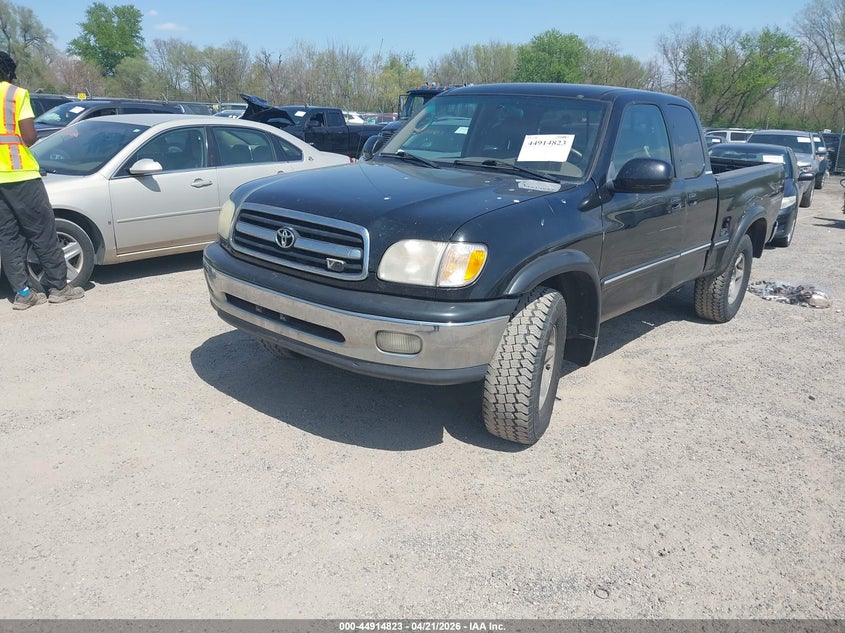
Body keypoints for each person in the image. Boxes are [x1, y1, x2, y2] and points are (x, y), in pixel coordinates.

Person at [0, 50, 83, 310]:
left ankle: (23, 293)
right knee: (42, 230)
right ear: (8, 71)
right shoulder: (15, 94)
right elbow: (28, 136)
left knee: (8, 235)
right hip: (20, 173)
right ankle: (59, 287)